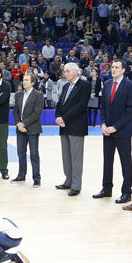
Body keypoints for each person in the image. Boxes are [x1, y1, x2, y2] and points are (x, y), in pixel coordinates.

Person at [95, 60, 132, 203]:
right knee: (107, 161)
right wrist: (103, 123)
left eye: (117, 67)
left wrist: (116, 127)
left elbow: (130, 111)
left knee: (125, 163)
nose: (113, 69)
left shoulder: (130, 86)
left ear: (123, 70)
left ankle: (127, 192)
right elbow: (103, 107)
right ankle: (106, 189)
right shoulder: (106, 84)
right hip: (107, 130)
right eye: (112, 67)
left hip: (123, 131)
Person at [55, 63, 91, 197]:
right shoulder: (65, 86)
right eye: (64, 71)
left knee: (76, 158)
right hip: (64, 126)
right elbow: (59, 104)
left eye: (68, 71)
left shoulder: (84, 85)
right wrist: (58, 116)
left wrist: (64, 118)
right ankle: (68, 180)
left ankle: (76, 185)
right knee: (66, 156)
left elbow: (81, 106)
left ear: (77, 72)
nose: (65, 73)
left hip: (76, 126)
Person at [12, 73, 44, 187]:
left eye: (26, 80)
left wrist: (24, 124)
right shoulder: (18, 94)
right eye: (23, 80)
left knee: (34, 154)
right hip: (20, 129)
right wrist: (18, 124)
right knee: (20, 153)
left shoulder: (39, 95)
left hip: (33, 129)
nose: (23, 81)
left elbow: (37, 113)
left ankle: (36, 179)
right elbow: (15, 111)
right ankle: (21, 175)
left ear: (32, 83)